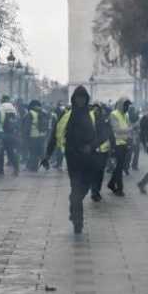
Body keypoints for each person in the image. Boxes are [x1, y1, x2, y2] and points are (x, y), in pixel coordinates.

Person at [43, 86, 99, 234]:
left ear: (86, 99)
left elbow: (101, 135)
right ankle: (78, 221)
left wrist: (91, 146)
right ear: (74, 99)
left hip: (89, 158)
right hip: (72, 157)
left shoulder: (93, 115)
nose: (80, 100)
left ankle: (73, 205)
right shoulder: (66, 115)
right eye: (78, 97)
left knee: (84, 188)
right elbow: (55, 135)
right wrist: (47, 155)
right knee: (76, 188)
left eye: (83, 97)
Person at [108, 98, 133, 195]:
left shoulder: (126, 115)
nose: (127, 107)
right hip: (116, 144)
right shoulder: (114, 114)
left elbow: (128, 126)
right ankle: (119, 189)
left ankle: (111, 183)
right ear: (121, 105)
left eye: (128, 106)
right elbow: (116, 130)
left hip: (124, 143)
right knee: (119, 167)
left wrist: (130, 138)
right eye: (125, 105)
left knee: (120, 166)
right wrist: (129, 129)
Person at [90, 104, 114, 201]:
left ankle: (97, 190)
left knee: (100, 172)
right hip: (92, 151)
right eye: (94, 109)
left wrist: (113, 148)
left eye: (97, 109)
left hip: (103, 151)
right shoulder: (89, 121)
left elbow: (110, 134)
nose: (96, 111)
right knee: (94, 172)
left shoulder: (104, 121)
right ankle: (94, 192)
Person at [0, 101, 21, 176]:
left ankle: (1, 170)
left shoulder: (1, 111)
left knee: (0, 153)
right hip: (11, 135)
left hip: (2, 135)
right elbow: (18, 125)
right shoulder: (14, 113)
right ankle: (16, 169)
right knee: (11, 153)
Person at [22, 100, 47, 172]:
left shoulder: (30, 114)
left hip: (33, 135)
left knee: (33, 152)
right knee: (40, 151)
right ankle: (41, 165)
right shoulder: (44, 112)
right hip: (42, 135)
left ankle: (33, 167)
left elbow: (27, 127)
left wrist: (25, 136)